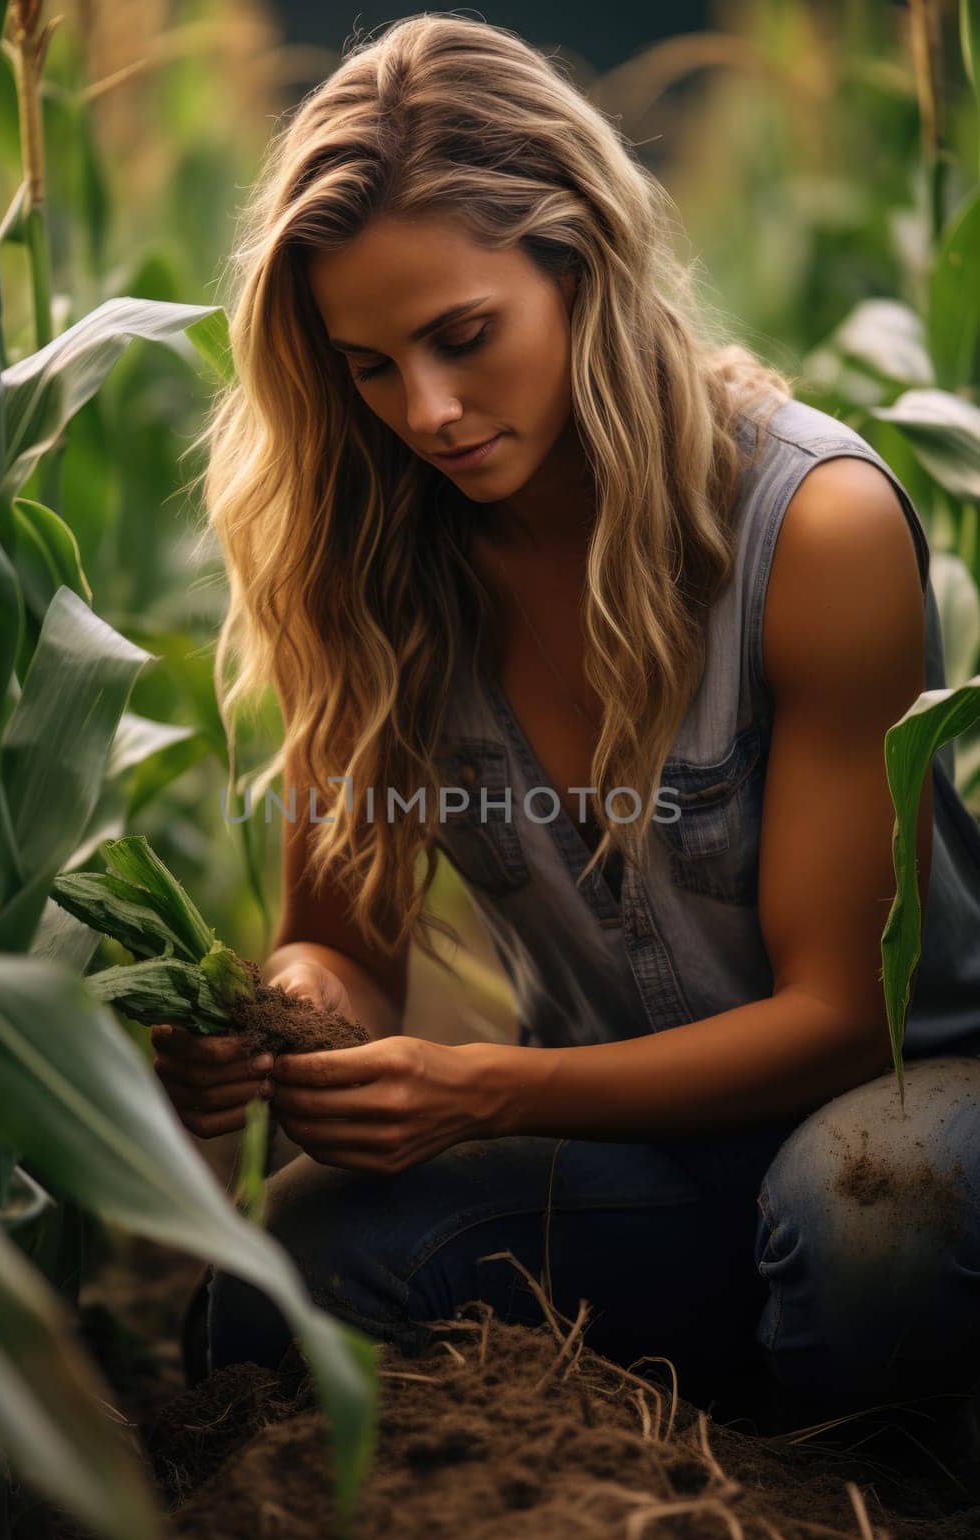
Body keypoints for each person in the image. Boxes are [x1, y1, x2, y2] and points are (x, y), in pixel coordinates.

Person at [152, 15, 980, 1438]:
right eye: (366, 366)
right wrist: (284, 1028)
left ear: (582, 263)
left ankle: (854, 1428)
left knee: (870, 1226)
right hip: (627, 1149)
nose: (427, 411)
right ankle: (751, 1372)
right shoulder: (364, 566)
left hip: (905, 1100)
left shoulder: (811, 528)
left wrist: (479, 1090)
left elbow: (846, 1019)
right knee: (277, 1283)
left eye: (464, 337)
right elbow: (343, 944)